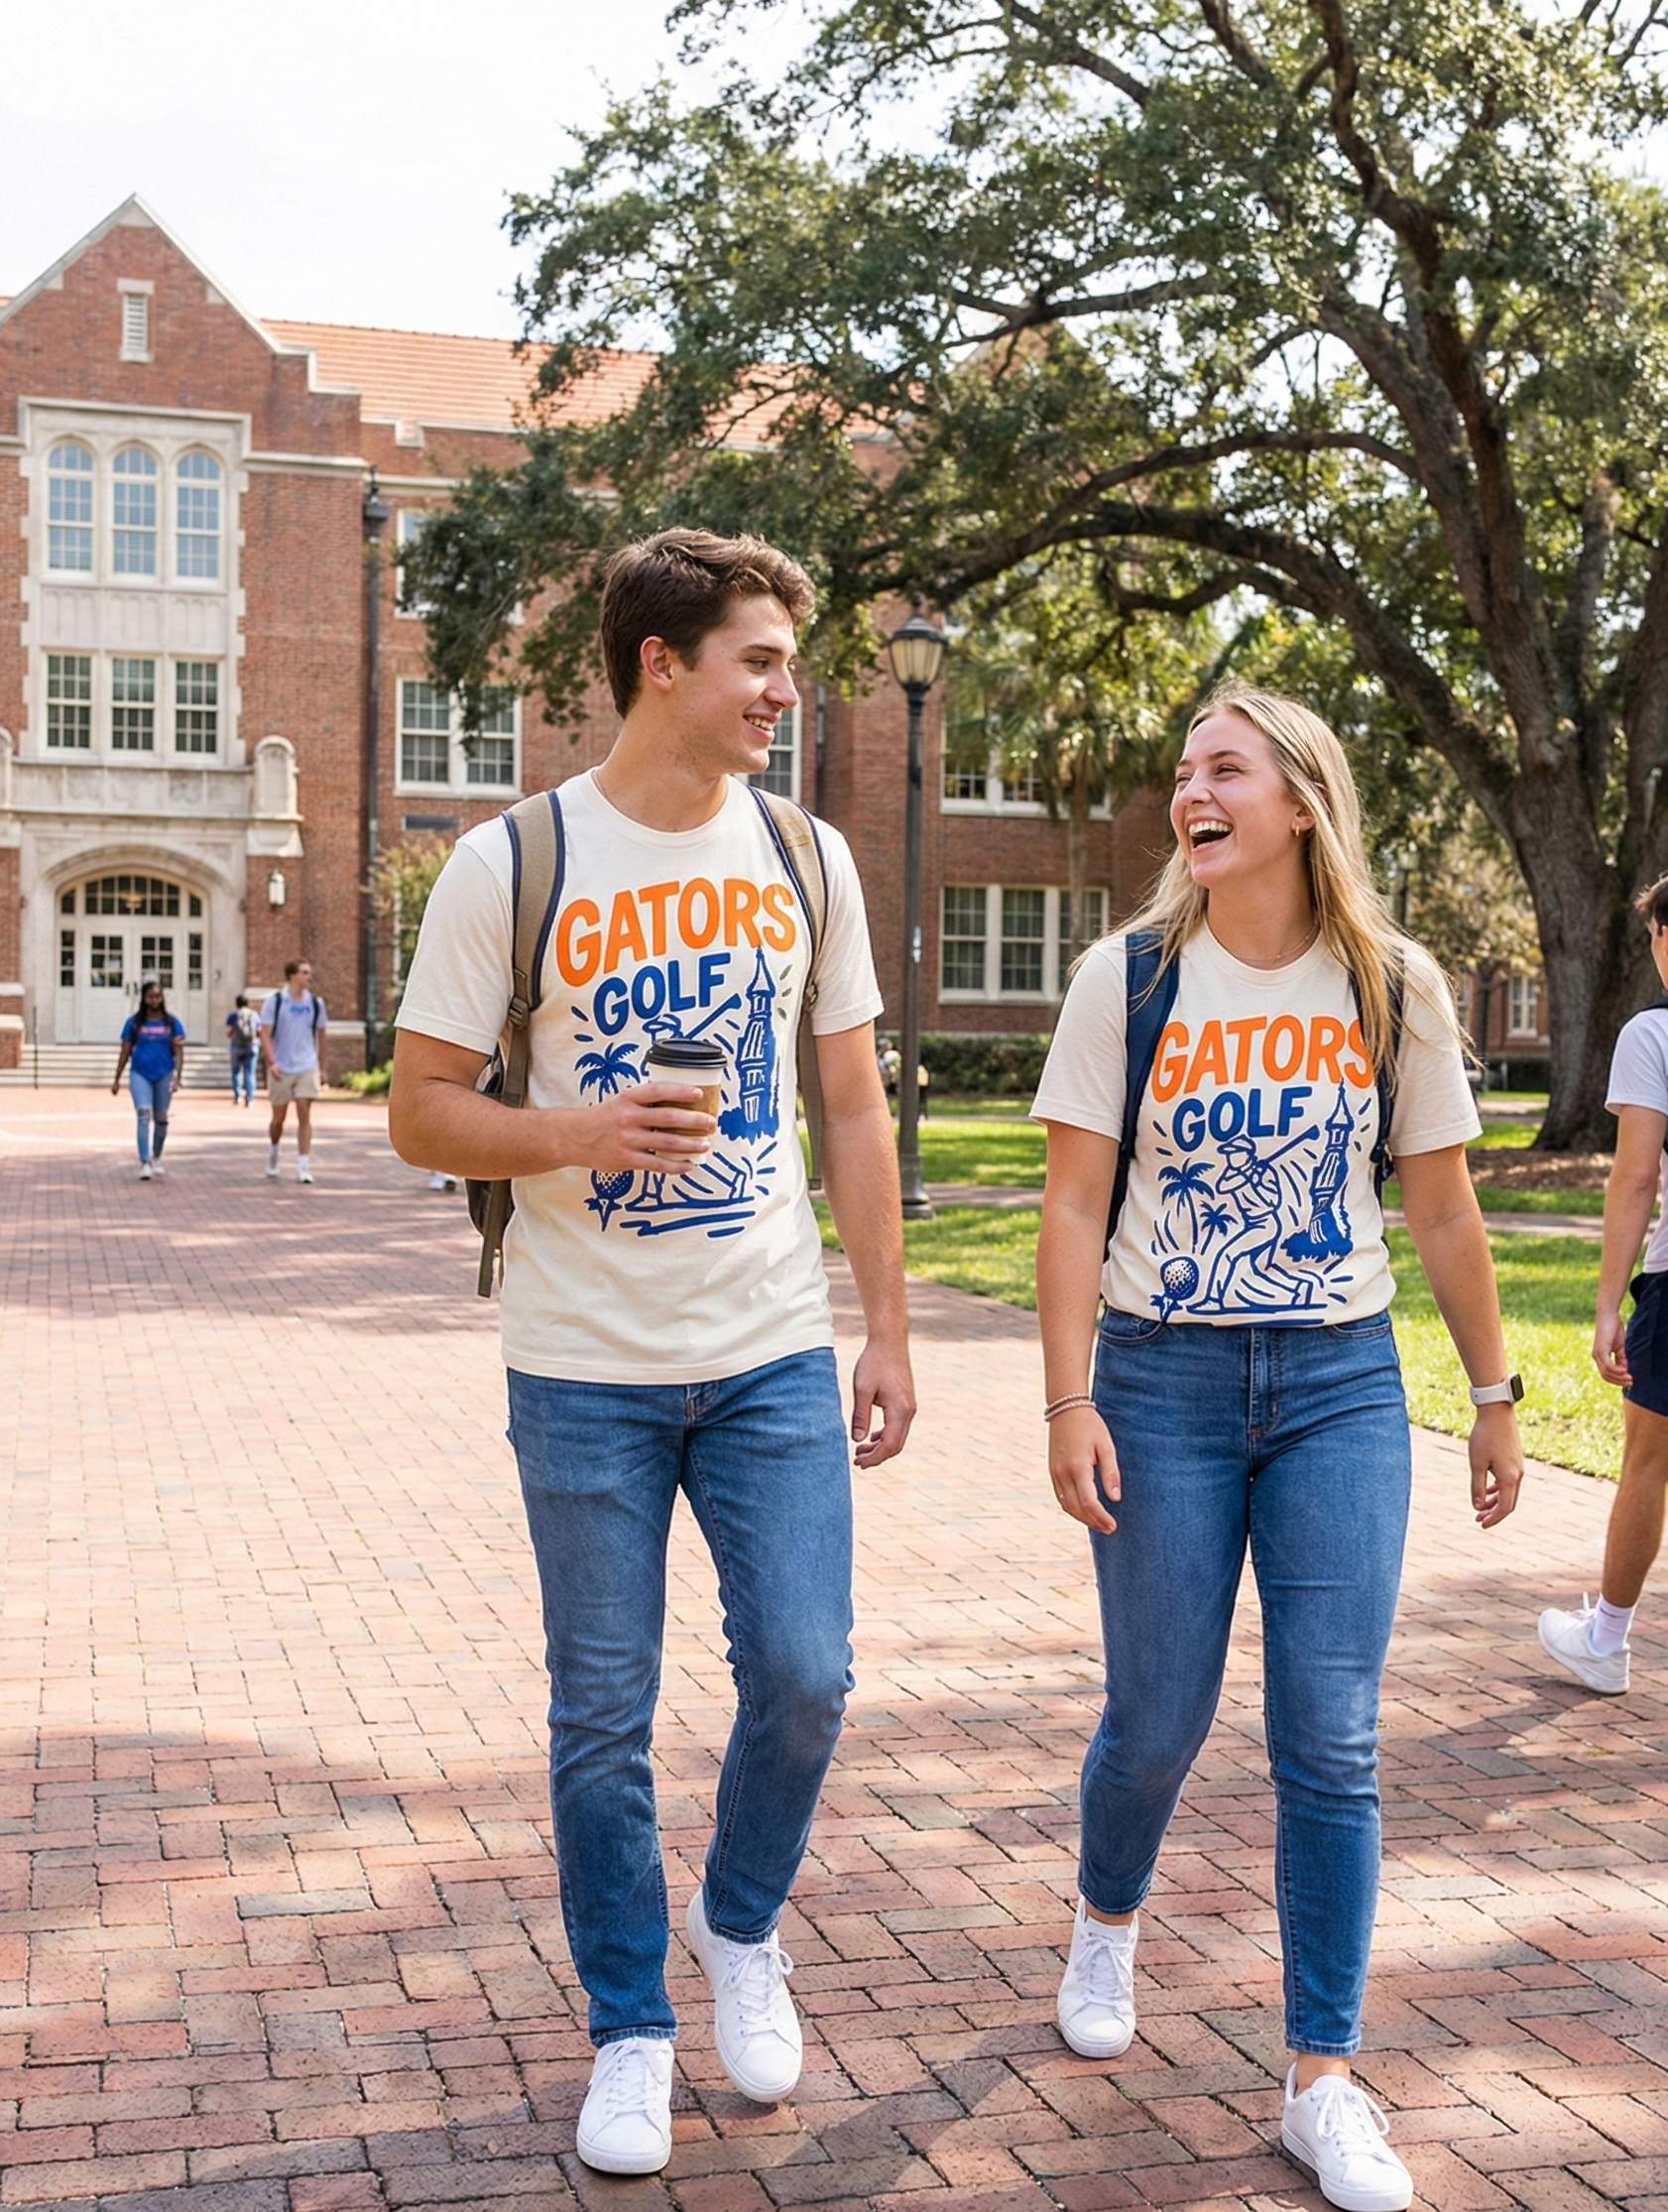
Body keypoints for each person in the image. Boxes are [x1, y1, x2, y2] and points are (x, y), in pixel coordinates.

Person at [389, 529, 914, 2178]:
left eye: (788, 661)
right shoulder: (515, 860)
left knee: (809, 1674)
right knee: (601, 1713)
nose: (785, 689)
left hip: (765, 1348)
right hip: (580, 1365)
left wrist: (885, 1321)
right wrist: (579, 1131)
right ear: (658, 664)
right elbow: (416, 1109)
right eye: (758, 659)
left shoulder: (808, 858)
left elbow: (846, 1103)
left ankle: (737, 1925)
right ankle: (628, 2025)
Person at [1032, 685, 1525, 2212]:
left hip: (1336, 1389)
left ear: (1297, 801)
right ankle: (1105, 1911)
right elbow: (1065, 1205)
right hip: (1161, 1381)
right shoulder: (1126, 979)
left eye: (1222, 766)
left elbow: (1437, 1205)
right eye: (1183, 768)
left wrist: (1494, 1389)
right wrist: (1066, 1399)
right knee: (1158, 1717)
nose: (1192, 787)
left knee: (1331, 1735)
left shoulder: (1389, 986)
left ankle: (1322, 2073)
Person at [1538, 875, 1668, 1693]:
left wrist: (1605, 1306)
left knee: (1650, 1460)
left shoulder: (1653, 1035)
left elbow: (1634, 1178)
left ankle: (1605, 1642)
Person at [112, 976, 185, 1180]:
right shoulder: (134, 1023)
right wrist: (116, 1078)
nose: (154, 1000)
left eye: (158, 996)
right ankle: (144, 1161)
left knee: (161, 1117)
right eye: (150, 997)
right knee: (144, 1114)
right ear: (144, 999)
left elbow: (179, 1052)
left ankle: (157, 1156)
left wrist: (178, 1076)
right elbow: (125, 1051)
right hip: (140, 1073)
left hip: (164, 1073)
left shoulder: (172, 1023)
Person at [261, 958, 327, 1182]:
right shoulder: (276, 1001)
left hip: (306, 1065)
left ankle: (303, 1165)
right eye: (305, 972)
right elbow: (265, 1034)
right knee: (278, 1119)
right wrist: (272, 1062)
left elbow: (322, 1035)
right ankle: (274, 1149)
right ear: (292, 976)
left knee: (304, 1114)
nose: (309, 977)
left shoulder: (316, 1003)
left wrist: (322, 1067)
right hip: (282, 1066)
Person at [226, 994, 260, 1105]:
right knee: (250, 1072)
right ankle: (249, 1098)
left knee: (236, 1071)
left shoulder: (233, 1015)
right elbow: (259, 1030)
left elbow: (228, 1032)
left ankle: (237, 1095)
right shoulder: (253, 1015)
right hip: (251, 1046)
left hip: (237, 1045)